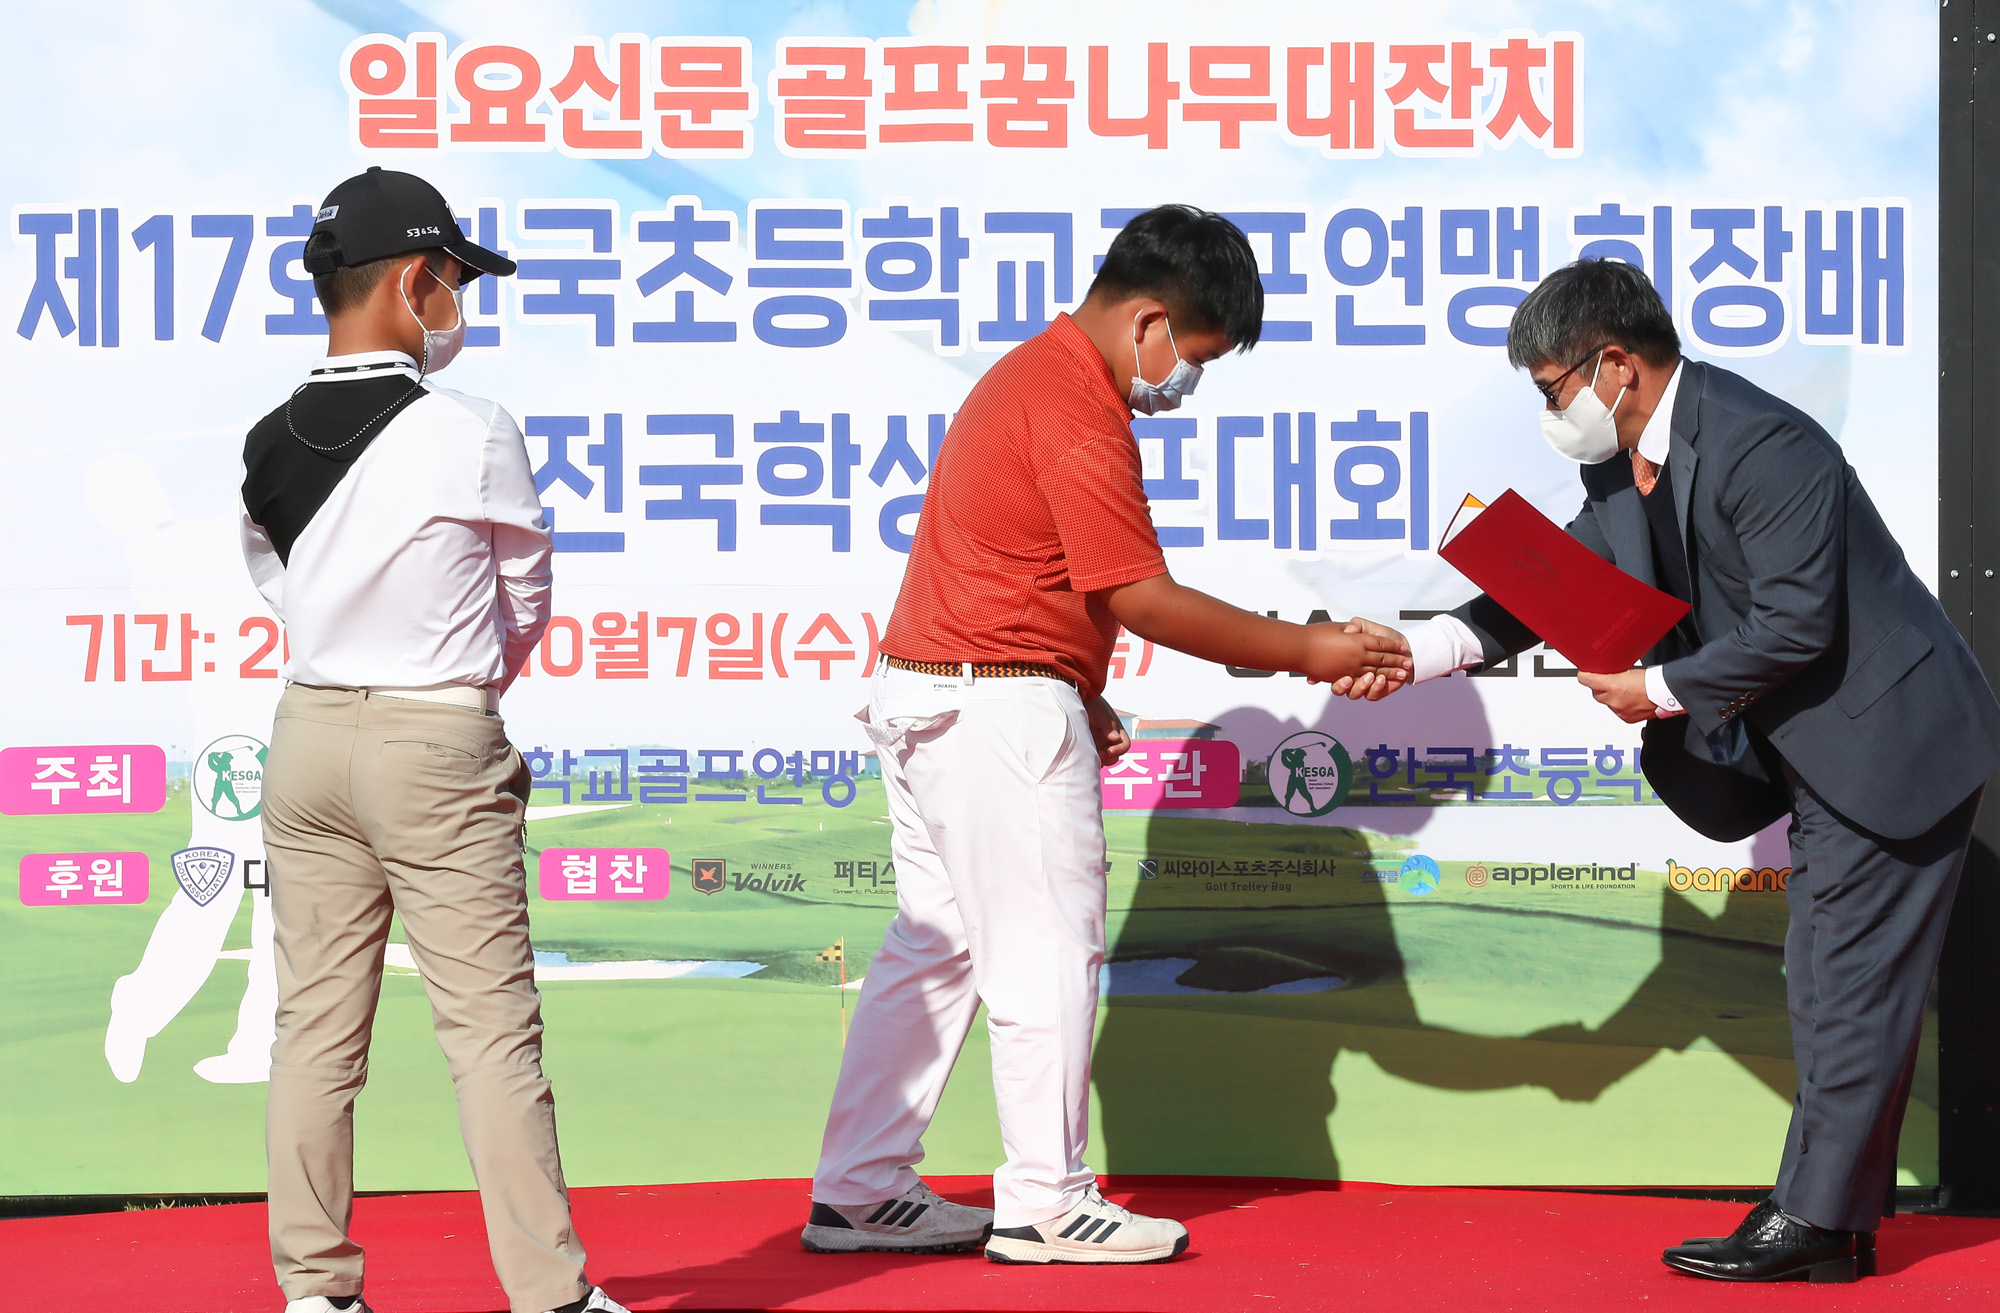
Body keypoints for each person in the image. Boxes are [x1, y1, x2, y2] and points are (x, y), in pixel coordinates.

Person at [1344, 257, 2000, 1284]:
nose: (1548, 411)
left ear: (1613, 364)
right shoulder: (1620, 460)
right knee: (1830, 978)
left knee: (1843, 983)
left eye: (1549, 387)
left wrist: (1651, 687)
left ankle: (1816, 1220)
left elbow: (1794, 622)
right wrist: (1418, 652)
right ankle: (1829, 1216)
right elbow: (1553, 582)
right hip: (1815, 751)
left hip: (1892, 739)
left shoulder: (1762, 442)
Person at [800, 204, 1411, 1265]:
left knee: (934, 950)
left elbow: (1031, 572)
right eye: (1194, 357)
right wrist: (1309, 651)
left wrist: (1078, 689)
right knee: (1041, 949)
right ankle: (1045, 1197)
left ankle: (859, 1187)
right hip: (990, 709)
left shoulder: (1024, 377)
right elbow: (1140, 597)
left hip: (935, 692)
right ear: (1147, 322)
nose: (1184, 383)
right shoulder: (1076, 408)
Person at [239, 167, 624, 1313]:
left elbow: (271, 575)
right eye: (453, 278)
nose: (459, 299)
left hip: (306, 732)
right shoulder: (472, 428)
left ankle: (315, 1290)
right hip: (434, 740)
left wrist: (352, 638)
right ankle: (549, 1294)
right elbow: (526, 591)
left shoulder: (267, 436)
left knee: (312, 1027)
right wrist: (458, 681)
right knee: (491, 1033)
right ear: (413, 279)